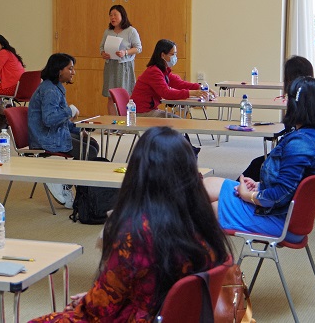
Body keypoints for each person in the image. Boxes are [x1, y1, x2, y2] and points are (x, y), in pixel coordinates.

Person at [29, 126, 231, 322]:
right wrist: (96, 296)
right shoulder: (203, 221)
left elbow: (100, 309)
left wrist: (87, 301)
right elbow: (166, 291)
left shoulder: (135, 232)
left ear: (139, 170)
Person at [204, 77, 315, 242]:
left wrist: (250, 196)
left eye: (287, 98)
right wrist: (259, 185)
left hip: (280, 219)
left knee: (206, 212)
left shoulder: (300, 145)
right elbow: (294, 184)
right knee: (206, 185)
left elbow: (279, 195)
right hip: (284, 210)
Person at [241, 55, 315, 180]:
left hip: (305, 155)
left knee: (258, 165)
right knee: (257, 164)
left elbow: (291, 128)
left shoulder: (301, 105)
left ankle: (235, 192)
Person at [28, 53, 99, 208]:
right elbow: (49, 120)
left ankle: (66, 181)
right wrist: (70, 111)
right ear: (59, 70)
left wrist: (77, 128)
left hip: (53, 133)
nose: (73, 72)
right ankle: (62, 182)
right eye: (70, 68)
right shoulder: (50, 90)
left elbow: (61, 121)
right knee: (89, 151)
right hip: (46, 138)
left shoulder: (55, 87)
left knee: (91, 144)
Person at [131, 39, 211, 118]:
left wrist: (200, 87)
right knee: (178, 122)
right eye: (173, 54)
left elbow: (179, 83)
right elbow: (166, 93)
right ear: (163, 55)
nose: (175, 57)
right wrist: (193, 93)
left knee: (178, 122)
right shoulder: (154, 72)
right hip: (142, 113)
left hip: (149, 110)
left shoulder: (162, 70)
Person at [100, 5, 142, 115]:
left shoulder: (131, 31)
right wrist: (103, 54)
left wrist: (125, 52)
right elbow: (101, 47)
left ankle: (125, 122)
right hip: (111, 66)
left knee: (125, 96)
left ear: (122, 16)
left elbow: (138, 48)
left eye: (115, 15)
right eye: (110, 15)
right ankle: (113, 123)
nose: (112, 18)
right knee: (110, 97)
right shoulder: (108, 31)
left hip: (124, 67)